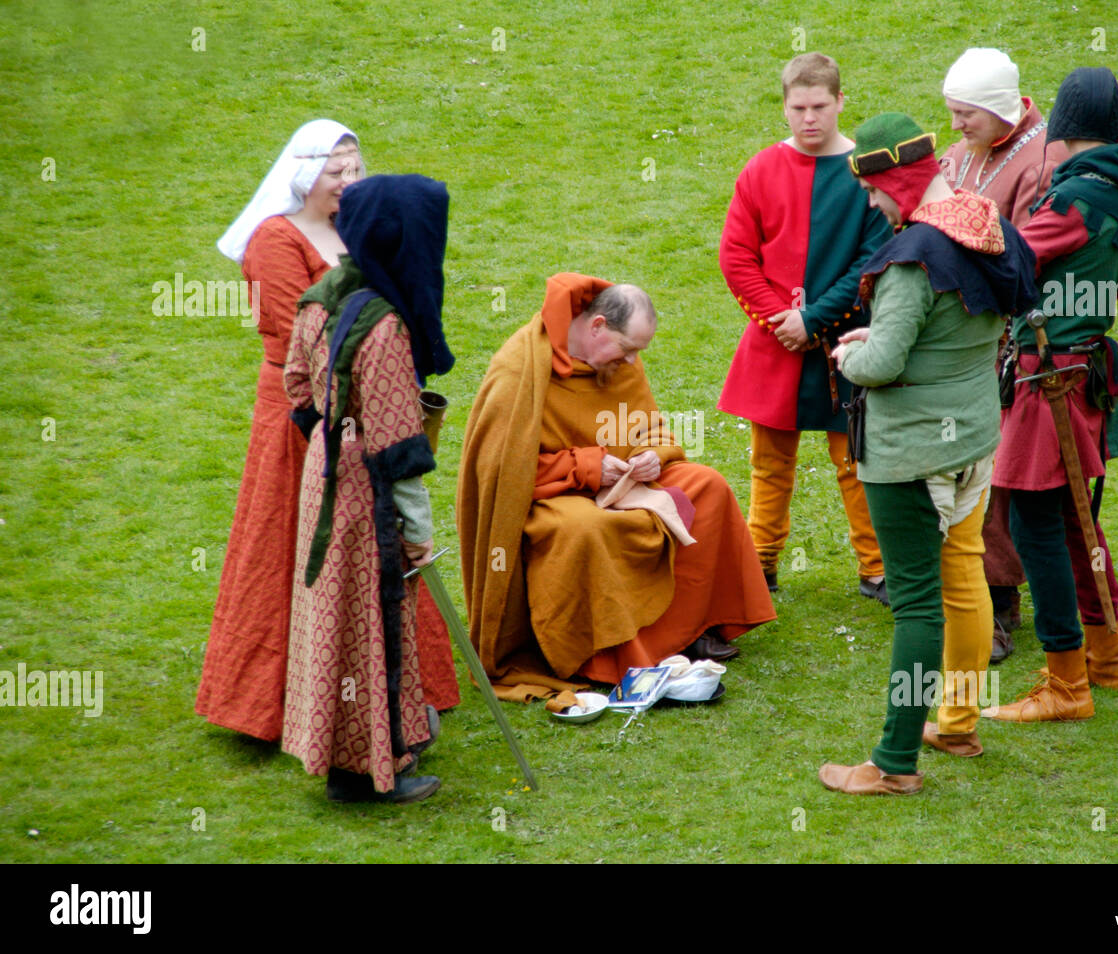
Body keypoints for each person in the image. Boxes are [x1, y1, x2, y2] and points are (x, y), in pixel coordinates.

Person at [197, 122, 458, 743]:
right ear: (303, 175)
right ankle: (272, 700)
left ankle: (388, 687)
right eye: (335, 173)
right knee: (298, 541)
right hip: (306, 414)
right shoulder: (275, 240)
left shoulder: (360, 226)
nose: (348, 183)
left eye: (355, 171)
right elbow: (303, 344)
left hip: (363, 401)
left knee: (373, 538)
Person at [819, 113, 1037, 794]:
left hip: (912, 458)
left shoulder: (914, 258)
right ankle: (958, 724)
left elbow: (882, 362)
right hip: (974, 445)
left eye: (874, 189)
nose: (871, 203)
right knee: (965, 578)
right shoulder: (990, 227)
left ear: (896, 180)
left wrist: (850, 354)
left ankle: (892, 764)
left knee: (916, 607)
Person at [457, 274, 775, 704]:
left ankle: (691, 630)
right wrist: (585, 466)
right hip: (551, 497)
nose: (630, 363)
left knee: (708, 486)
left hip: (624, 485)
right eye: (627, 350)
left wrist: (651, 455)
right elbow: (500, 470)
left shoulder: (617, 361)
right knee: (587, 528)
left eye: (637, 354)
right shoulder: (521, 367)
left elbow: (651, 427)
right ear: (597, 326)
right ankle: (610, 658)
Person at [983, 66, 1118, 723]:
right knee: (1073, 523)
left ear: (1064, 124)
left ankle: (1065, 683)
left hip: (1049, 382)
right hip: (1077, 373)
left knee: (1037, 526)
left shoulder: (1080, 197)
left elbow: (1004, 254)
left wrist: (947, 215)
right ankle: (1105, 658)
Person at [281, 174, 455, 802]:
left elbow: (296, 388)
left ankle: (352, 755)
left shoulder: (320, 295)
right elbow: (399, 452)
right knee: (374, 620)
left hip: (323, 475)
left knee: (335, 618)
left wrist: (332, 436)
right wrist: (419, 534)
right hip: (363, 497)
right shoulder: (385, 328)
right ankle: (372, 772)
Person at [717, 52, 894, 604]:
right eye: (798, 107)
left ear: (841, 102)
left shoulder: (866, 174)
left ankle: (877, 568)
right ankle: (760, 566)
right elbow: (736, 256)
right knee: (769, 467)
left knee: (856, 460)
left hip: (845, 343)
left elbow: (872, 260)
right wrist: (782, 320)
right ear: (785, 106)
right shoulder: (760, 170)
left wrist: (812, 321)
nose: (809, 118)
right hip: (777, 341)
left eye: (820, 106)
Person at [939, 48, 1070, 663]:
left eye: (966, 114)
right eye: (952, 113)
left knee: (995, 478)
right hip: (961, 337)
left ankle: (997, 602)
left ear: (996, 108)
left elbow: (1019, 255)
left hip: (1006, 345)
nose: (957, 126)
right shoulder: (967, 150)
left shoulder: (1042, 162)